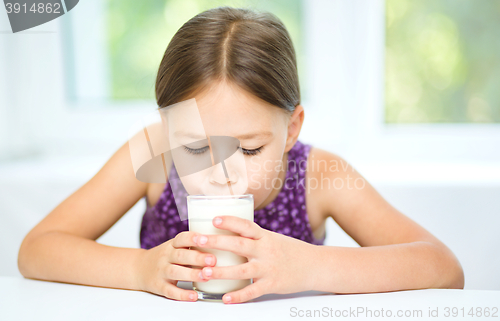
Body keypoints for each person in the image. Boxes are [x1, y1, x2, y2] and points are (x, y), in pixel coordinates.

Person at [18, 6, 464, 304]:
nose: (221, 174)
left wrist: (308, 266)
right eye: (193, 148)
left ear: (291, 129)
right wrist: (139, 268)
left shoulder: (318, 176)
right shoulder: (153, 154)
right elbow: (37, 250)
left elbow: (444, 269)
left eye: (250, 148)